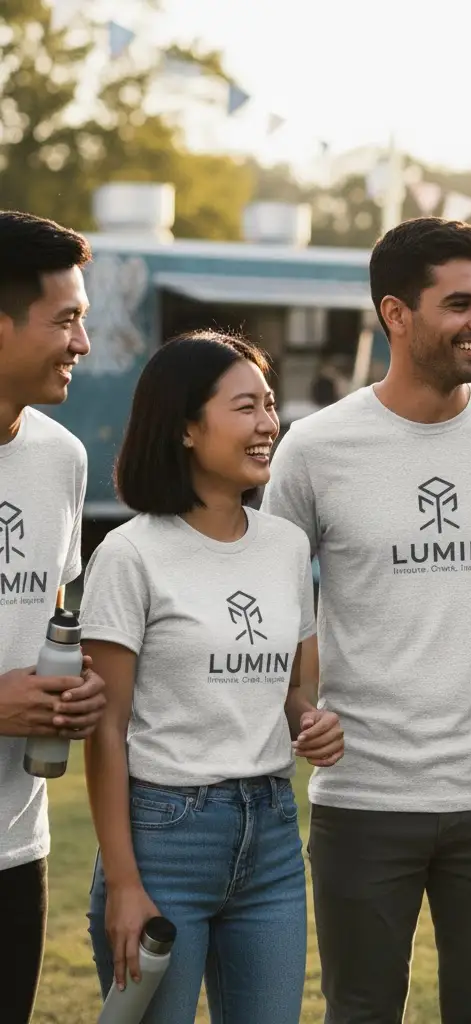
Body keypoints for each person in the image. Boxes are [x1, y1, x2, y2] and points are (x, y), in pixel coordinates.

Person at [261, 217, 471, 1023]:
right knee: (360, 1011)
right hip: (363, 792)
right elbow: (274, 601)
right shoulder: (315, 448)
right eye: (460, 304)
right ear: (395, 314)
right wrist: (298, 706)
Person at [79, 331, 344, 1024]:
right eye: (245, 407)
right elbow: (105, 731)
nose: (268, 424)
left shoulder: (287, 546)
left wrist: (312, 722)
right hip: (164, 837)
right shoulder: (130, 555)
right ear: (187, 427)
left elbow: (293, 692)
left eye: (269, 404)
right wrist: (125, 884)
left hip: (273, 835)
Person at [0, 210, 107, 1024]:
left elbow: (50, 620)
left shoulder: (62, 458)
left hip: (16, 845)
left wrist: (77, 691)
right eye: (65, 320)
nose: (83, 343)